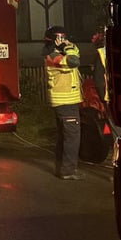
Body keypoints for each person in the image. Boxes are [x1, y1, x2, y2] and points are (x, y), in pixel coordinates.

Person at [43, 25, 84, 180]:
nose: (66, 41)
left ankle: (62, 168)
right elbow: (74, 61)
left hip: (65, 101)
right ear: (57, 39)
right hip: (65, 101)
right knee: (72, 137)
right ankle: (68, 170)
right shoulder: (52, 55)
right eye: (63, 38)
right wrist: (69, 47)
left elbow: (75, 54)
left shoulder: (55, 53)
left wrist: (69, 47)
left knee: (64, 137)